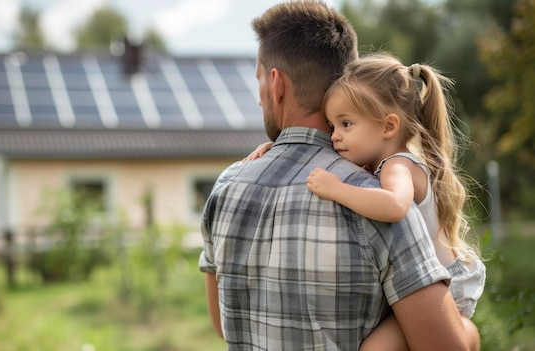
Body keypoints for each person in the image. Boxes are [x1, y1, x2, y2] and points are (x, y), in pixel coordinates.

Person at [198, 1, 479, 350]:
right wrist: (468, 332)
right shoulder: (369, 195)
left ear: (276, 84)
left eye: (258, 83)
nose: (259, 101)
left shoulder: (225, 187)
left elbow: (224, 324)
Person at [246, 53, 486, 351]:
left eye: (346, 124)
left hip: (447, 286)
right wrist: (278, 146)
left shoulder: (398, 165)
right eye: (332, 127)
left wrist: (336, 189)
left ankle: (463, 332)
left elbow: (394, 205)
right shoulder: (376, 160)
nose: (334, 137)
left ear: (388, 127)